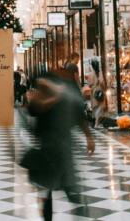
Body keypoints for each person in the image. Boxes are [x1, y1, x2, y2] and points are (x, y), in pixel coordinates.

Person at [24, 74, 95, 221]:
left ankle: (81, 212)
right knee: (47, 191)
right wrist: (55, 96)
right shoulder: (43, 98)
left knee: (68, 187)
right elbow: (34, 109)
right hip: (47, 149)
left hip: (62, 148)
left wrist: (89, 137)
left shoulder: (64, 96)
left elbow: (79, 117)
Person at [88, 59, 107, 128]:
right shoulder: (100, 73)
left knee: (95, 106)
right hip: (100, 90)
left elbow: (89, 84)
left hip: (93, 91)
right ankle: (97, 123)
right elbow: (102, 82)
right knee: (101, 106)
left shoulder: (90, 74)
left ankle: (96, 123)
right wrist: (104, 88)